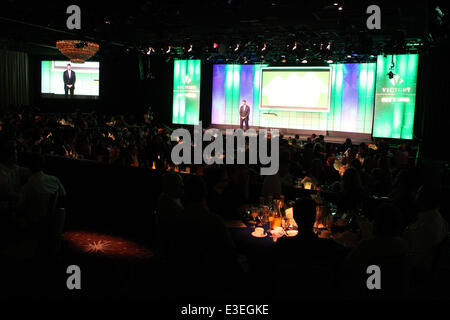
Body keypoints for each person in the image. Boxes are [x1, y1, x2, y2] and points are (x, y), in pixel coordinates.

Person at [17, 153, 66, 232]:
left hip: (31, 225)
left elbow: (20, 207)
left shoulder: (27, 187)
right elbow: (63, 194)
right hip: (50, 223)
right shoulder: (54, 180)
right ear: (43, 165)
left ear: (29, 166)